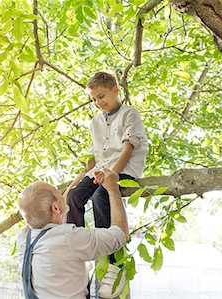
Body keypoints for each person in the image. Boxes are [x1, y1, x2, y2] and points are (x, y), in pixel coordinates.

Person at [66, 71, 148, 298]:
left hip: (124, 168)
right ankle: (76, 248)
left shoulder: (130, 114)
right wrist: (76, 181)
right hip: (100, 170)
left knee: (100, 196)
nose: (98, 103)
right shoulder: (95, 122)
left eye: (101, 96)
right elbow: (93, 158)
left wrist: (112, 174)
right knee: (73, 197)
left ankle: (114, 260)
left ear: (115, 91)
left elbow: (127, 149)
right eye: (93, 99)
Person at [17, 168, 129, 299]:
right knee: (115, 289)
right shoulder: (68, 238)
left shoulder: (24, 237)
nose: (62, 192)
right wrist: (113, 189)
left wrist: (78, 180)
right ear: (55, 208)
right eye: (58, 192)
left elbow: (53, 211)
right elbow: (120, 234)